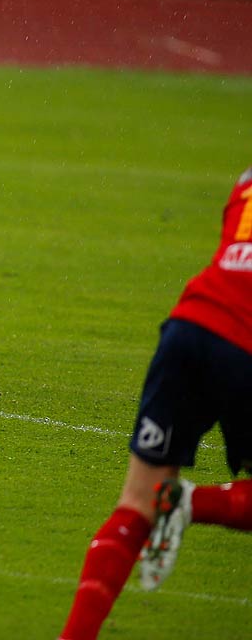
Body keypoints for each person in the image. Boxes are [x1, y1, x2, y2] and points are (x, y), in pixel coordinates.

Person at [57, 167, 252, 640]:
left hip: (190, 327)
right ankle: (188, 503)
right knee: (154, 501)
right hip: (244, 344)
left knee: (135, 503)